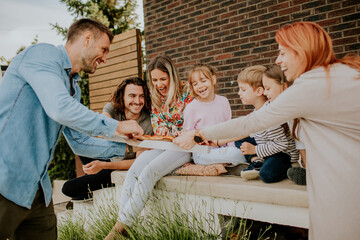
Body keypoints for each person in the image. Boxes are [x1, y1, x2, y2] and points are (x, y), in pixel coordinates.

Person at [174, 22, 360, 240]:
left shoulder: (312, 85)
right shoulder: (341, 73)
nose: (277, 60)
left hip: (344, 187)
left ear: (301, 51)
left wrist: (200, 134)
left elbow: (252, 122)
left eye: (282, 52)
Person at [0, 18, 143, 240]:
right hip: (5, 181)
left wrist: (128, 147)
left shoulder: (72, 88)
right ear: (87, 39)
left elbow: (79, 142)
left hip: (38, 192)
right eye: (104, 49)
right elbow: (59, 108)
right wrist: (117, 125)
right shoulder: (42, 55)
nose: (105, 59)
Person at [105, 55, 193, 239]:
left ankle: (117, 231)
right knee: (133, 172)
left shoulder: (187, 90)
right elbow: (158, 126)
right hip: (163, 143)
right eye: (154, 80)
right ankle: (124, 230)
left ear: (172, 75)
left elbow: (195, 120)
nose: (159, 84)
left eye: (163, 78)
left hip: (185, 146)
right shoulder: (155, 98)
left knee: (149, 172)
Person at [61, 77, 153, 202]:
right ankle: (92, 179)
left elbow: (138, 161)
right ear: (123, 97)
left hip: (118, 166)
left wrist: (103, 166)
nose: (137, 101)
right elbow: (103, 129)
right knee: (81, 148)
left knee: (68, 189)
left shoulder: (149, 122)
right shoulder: (112, 108)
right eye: (132, 96)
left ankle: (92, 185)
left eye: (141, 96)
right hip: (108, 155)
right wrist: (120, 129)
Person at [232, 65, 298, 182]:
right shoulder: (256, 112)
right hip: (266, 146)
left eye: (243, 89)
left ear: (258, 91)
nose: (238, 93)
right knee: (239, 139)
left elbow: (281, 145)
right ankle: (257, 161)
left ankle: (282, 167)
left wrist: (254, 150)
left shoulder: (270, 114)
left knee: (267, 175)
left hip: (282, 154)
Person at [182, 63, 245, 166]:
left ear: (213, 80)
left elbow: (229, 129)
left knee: (239, 150)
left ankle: (233, 160)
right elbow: (188, 136)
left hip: (225, 149)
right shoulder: (191, 108)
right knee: (238, 155)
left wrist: (231, 148)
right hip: (203, 153)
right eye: (195, 84)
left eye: (203, 81)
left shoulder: (223, 101)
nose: (200, 86)